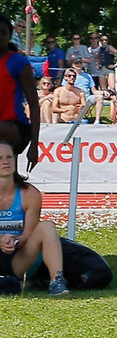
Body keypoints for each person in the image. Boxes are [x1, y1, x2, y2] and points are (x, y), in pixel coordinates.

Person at [0, 140, 69, 295]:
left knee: (46, 226)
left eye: (9, 157)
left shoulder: (30, 194)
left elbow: (28, 233)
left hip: (19, 258)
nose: (5, 162)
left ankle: (57, 281)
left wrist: (15, 241)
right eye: (0, 158)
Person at [0, 17, 40, 170]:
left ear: (10, 36)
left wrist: (34, 146)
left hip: (16, 127)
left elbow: (34, 105)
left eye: (3, 33)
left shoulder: (18, 62)